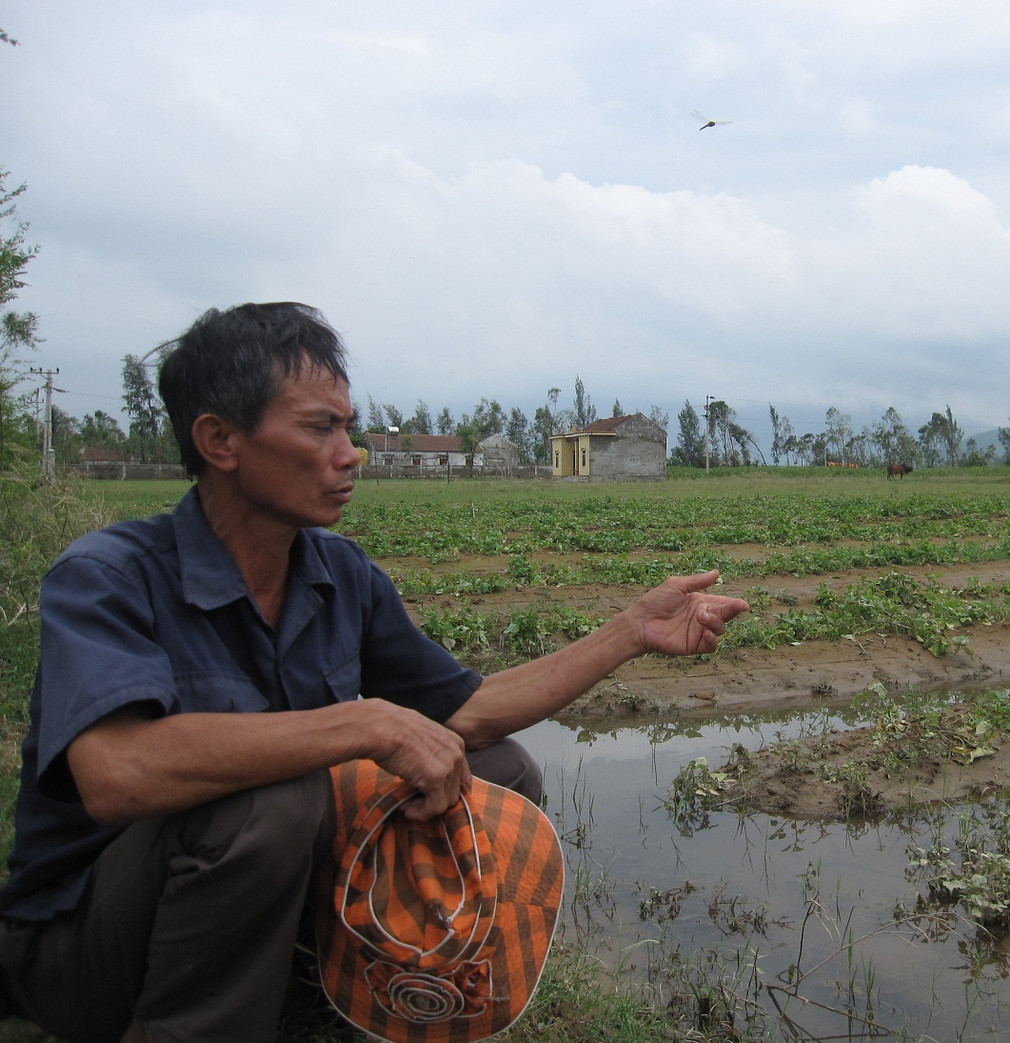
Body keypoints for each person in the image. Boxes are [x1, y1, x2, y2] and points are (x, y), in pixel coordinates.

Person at [0, 302, 749, 1042]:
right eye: (320, 427)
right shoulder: (108, 575)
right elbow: (116, 772)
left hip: (255, 906)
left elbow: (471, 711)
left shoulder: (338, 572)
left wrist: (628, 631)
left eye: (349, 427)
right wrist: (364, 720)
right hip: (87, 944)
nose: (350, 451)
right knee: (271, 802)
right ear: (219, 439)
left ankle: (352, 984)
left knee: (490, 767)